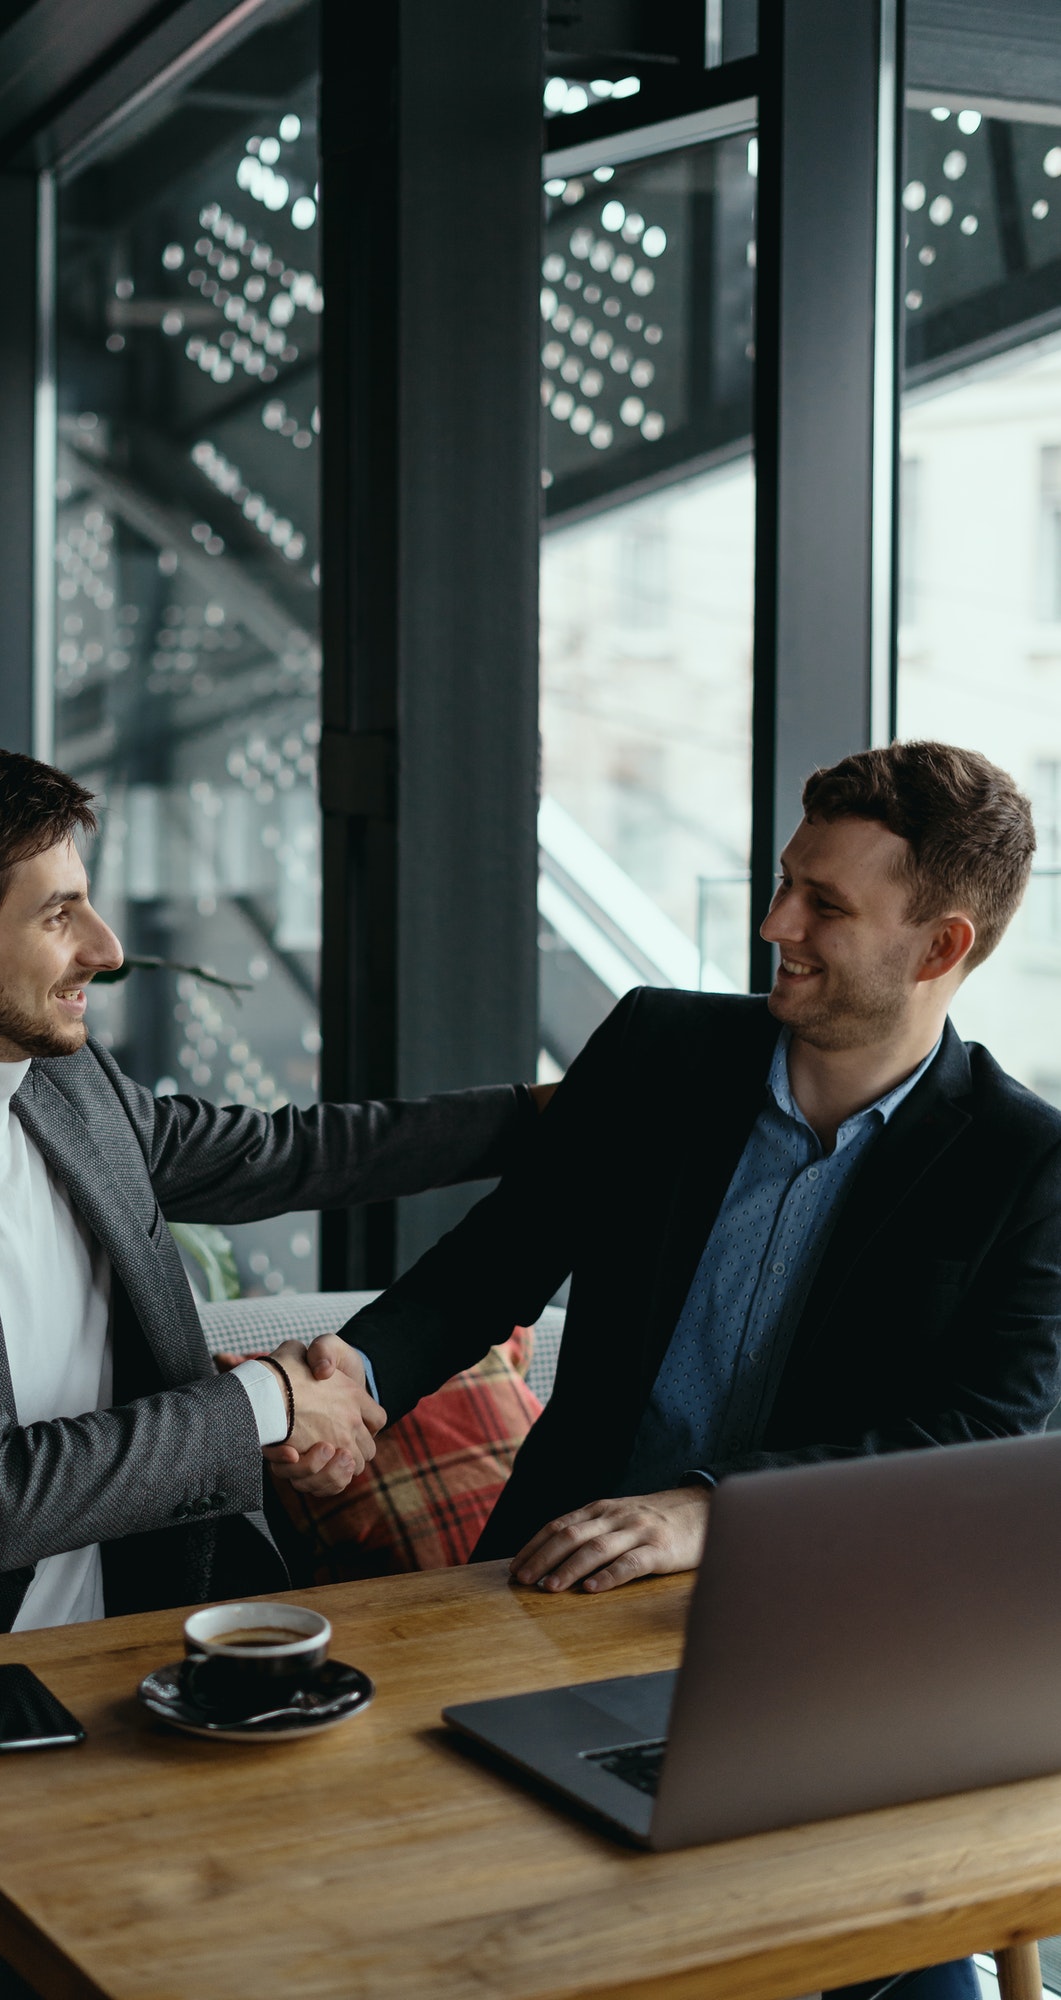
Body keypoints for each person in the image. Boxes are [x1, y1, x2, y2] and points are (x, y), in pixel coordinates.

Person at [0, 740, 543, 1997]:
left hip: (130, 1696)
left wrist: (544, 1116)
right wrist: (271, 1395)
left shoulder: (68, 1090)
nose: (105, 944)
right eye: (58, 913)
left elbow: (293, 1149)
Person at [314, 741, 1061, 2000]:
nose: (777, 923)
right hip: (556, 1595)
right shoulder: (659, 1046)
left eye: (824, 904)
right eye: (784, 883)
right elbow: (491, 1266)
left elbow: (984, 1427)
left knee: (893, 1957)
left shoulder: (1025, 1163)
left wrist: (708, 1508)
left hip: (835, 1639)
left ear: (938, 948)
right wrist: (352, 1375)